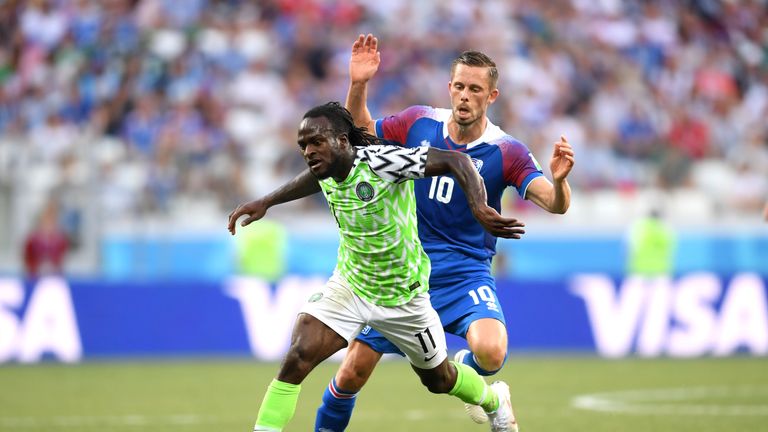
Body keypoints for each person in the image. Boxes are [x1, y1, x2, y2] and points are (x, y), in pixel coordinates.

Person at [230, 34, 575, 431]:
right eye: (459, 86)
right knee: (349, 373)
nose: (465, 96)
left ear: (491, 96)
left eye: (475, 89)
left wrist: (561, 182)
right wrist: (358, 84)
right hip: (401, 268)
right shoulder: (418, 122)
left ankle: (474, 378)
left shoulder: (506, 150)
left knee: (491, 352)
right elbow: (355, 138)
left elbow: (554, 203)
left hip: (464, 270)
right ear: (450, 88)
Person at [23, 199, 70, 278]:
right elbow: (27, 257)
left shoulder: (60, 240)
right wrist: (35, 268)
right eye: (46, 220)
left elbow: (62, 257)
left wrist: (53, 267)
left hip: (54, 276)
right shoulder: (32, 239)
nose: (48, 224)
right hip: (35, 276)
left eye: (51, 220)